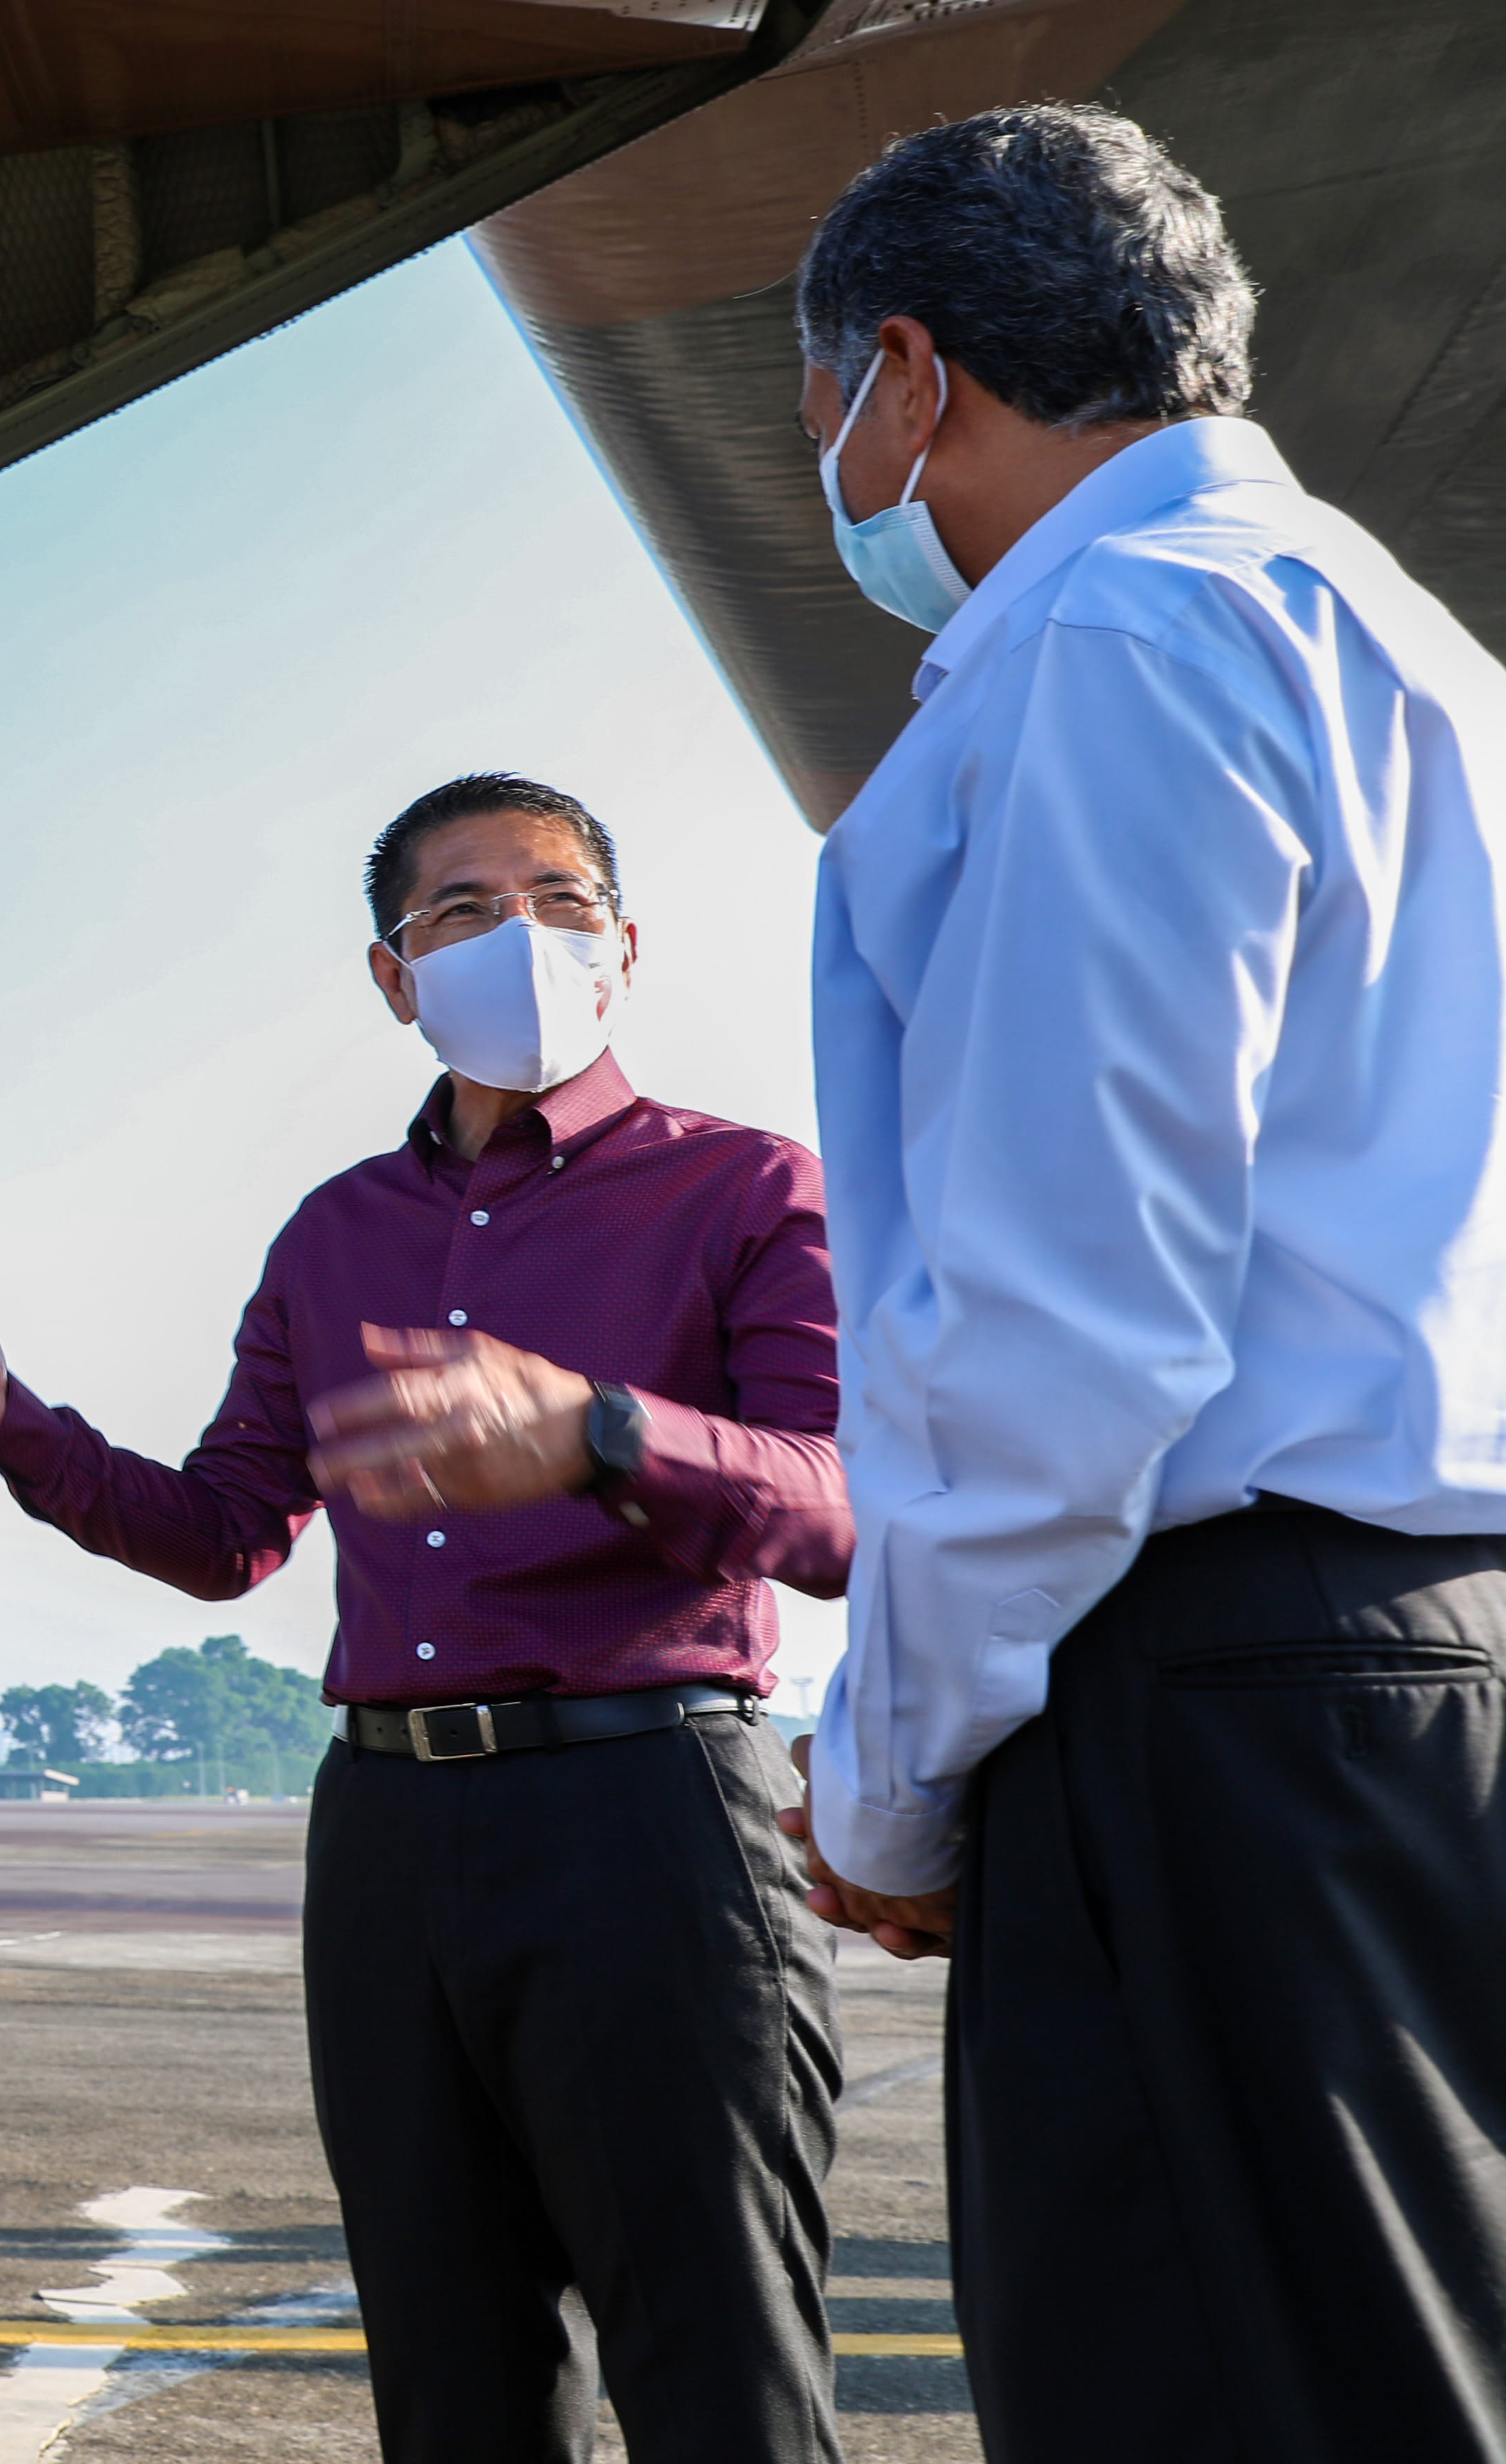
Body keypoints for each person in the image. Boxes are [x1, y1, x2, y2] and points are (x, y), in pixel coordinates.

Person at [0, 776, 852, 2463]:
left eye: (558, 898)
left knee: (720, 2374)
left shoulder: (746, 1190)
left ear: (624, 947)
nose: (517, 934)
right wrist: (12, 1424)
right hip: (388, 1835)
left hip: (650, 1817)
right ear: (394, 976)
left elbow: (840, 1503)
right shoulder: (335, 1236)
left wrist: (605, 1433)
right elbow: (230, 1533)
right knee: (454, 2381)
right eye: (461, 910)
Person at [789, 105, 1506, 2461]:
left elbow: (1070, 1315)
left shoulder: (1104, 643)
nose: (839, 465)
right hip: (1437, 1658)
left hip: (1220, 1694)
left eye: (827, 412)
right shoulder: (1409, 642)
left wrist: (892, 1783)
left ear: (911, 374)